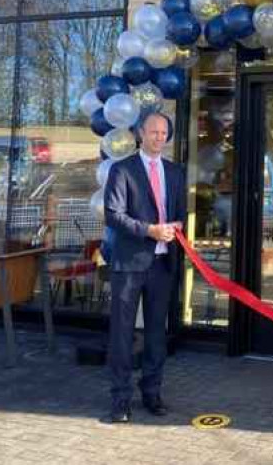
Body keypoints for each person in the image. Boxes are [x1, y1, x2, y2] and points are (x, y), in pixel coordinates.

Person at [103, 109, 185, 424]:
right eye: (153, 132)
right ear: (140, 133)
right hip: (129, 264)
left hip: (163, 264)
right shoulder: (122, 170)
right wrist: (149, 230)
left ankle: (152, 393)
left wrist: (175, 227)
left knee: (155, 334)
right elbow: (113, 214)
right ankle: (120, 400)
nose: (159, 138)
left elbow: (179, 214)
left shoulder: (175, 172)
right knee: (122, 333)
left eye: (164, 133)